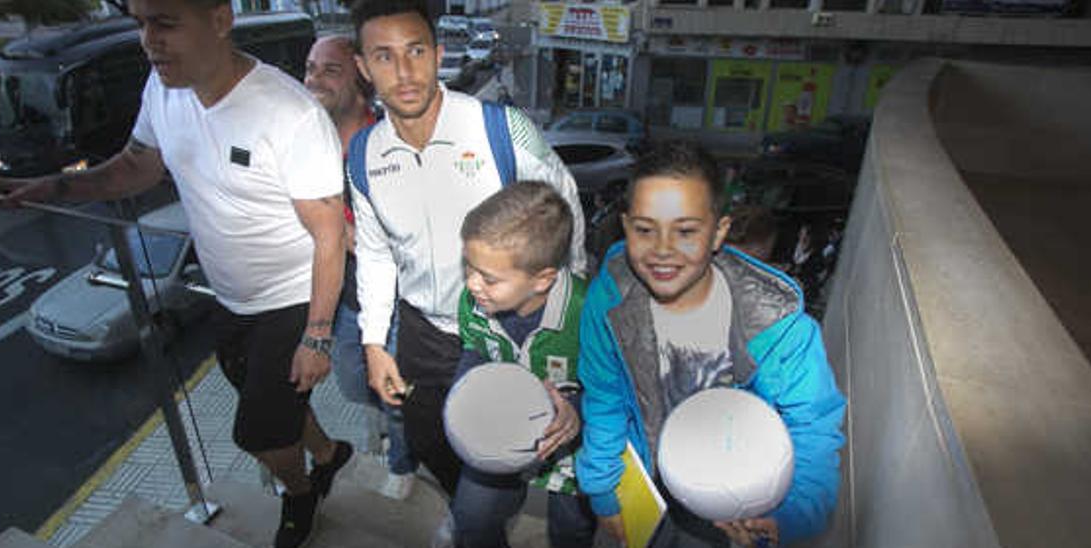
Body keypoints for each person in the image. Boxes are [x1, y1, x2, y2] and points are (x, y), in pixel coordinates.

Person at [0, 1, 351, 546]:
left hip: (290, 298)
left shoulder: (289, 114)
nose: (149, 40)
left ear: (220, 20)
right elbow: (134, 167)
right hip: (229, 296)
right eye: (140, 23)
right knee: (271, 397)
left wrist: (317, 335)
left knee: (258, 431)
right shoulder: (162, 90)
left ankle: (302, 493)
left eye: (165, 23)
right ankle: (332, 455)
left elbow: (330, 234)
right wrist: (48, 189)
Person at [346, 0, 587, 503]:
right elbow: (373, 252)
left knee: (517, 436)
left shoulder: (500, 128)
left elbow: (565, 207)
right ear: (363, 68)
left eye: (415, 51)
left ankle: (489, 509)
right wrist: (373, 342)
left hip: (508, 323)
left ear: (438, 54)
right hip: (422, 331)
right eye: (384, 57)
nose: (405, 71)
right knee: (429, 435)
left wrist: (561, 314)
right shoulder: (363, 154)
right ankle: (467, 512)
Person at [575, 141, 846, 547]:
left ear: (718, 231)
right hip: (641, 485)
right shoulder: (609, 300)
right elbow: (604, 397)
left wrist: (791, 513)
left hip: (727, 504)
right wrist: (601, 488)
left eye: (685, 230)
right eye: (645, 229)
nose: (663, 249)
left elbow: (813, 429)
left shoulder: (783, 330)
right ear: (626, 225)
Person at [304, 34, 419, 500]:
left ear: (360, 78)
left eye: (329, 70)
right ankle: (395, 427)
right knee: (354, 384)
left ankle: (404, 460)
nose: (313, 80)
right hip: (342, 299)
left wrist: (347, 233)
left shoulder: (389, 144)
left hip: (391, 301)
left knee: (393, 393)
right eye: (310, 68)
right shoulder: (306, 145)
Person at [450, 181, 596, 548]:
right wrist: (464, 386)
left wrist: (576, 412)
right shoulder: (475, 304)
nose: (471, 285)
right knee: (471, 518)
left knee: (572, 529)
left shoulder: (589, 314)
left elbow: (611, 389)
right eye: (469, 267)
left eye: (488, 278)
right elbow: (475, 348)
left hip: (575, 448)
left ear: (542, 280)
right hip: (500, 434)